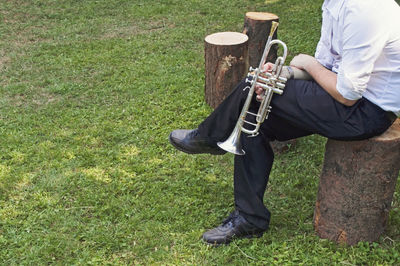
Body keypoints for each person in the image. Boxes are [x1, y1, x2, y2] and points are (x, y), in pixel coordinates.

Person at [169, 0, 400, 245]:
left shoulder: (364, 10)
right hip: (349, 100)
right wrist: (285, 73)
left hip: (367, 112)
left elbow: (348, 93)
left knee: (253, 87)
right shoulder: (335, 4)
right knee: (255, 113)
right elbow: (326, 68)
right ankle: (250, 217)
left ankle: (209, 137)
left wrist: (307, 63)